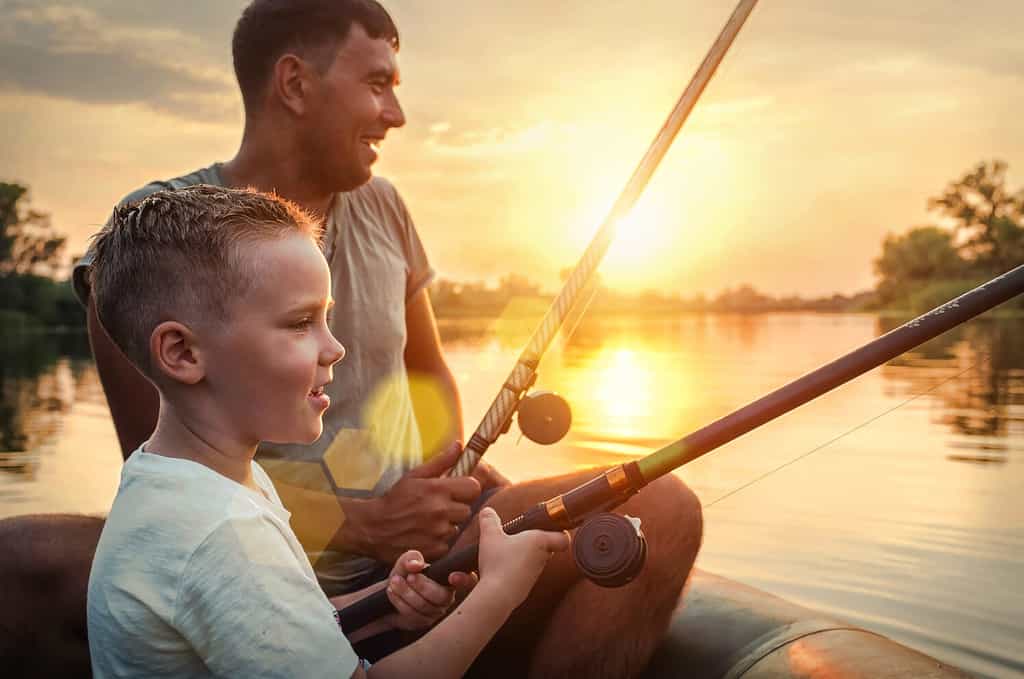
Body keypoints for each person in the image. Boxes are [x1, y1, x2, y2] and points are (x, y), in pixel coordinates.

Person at [70, 0, 704, 676]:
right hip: (298, 553)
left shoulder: (387, 206)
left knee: (662, 505)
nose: (395, 115)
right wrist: (367, 523)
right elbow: (166, 450)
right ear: (294, 83)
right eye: (377, 84)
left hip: (407, 551)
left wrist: (450, 488)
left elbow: (429, 375)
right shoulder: (159, 241)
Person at [85, 184, 569, 678]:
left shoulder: (179, 481)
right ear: (183, 354)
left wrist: (385, 598)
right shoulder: (222, 532)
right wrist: (499, 592)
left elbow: (272, 623)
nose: (335, 348)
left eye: (326, 318)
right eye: (300, 323)